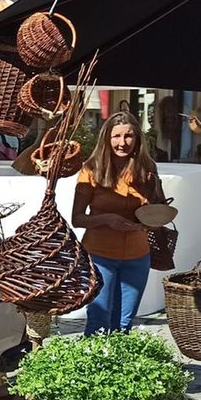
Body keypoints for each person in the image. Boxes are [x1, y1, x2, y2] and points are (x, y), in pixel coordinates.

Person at [72, 111, 163, 334]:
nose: (122, 143)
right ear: (106, 138)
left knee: (124, 323)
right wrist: (107, 219)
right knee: (98, 320)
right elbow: (77, 218)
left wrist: (150, 221)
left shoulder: (147, 169)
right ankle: (93, 366)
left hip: (138, 255)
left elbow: (159, 210)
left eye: (128, 136)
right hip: (100, 255)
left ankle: (119, 366)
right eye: (116, 136)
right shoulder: (91, 169)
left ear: (137, 139)